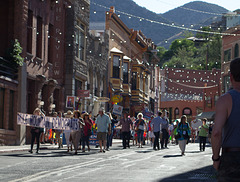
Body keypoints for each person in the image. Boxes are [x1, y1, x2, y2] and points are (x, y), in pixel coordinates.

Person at [212, 58, 240, 181]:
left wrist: (216, 158)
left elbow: (216, 133)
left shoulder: (225, 100)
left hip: (232, 158)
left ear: (231, 76)